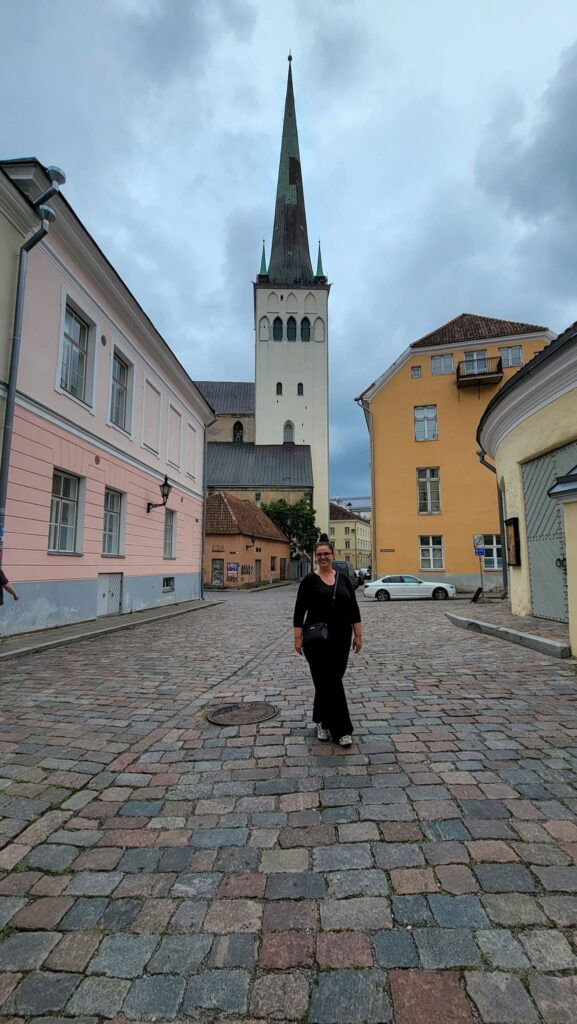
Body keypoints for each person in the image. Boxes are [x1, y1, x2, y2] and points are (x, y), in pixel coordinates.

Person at [293, 534, 362, 746]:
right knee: (331, 682)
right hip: (316, 639)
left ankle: (321, 721)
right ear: (315, 557)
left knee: (329, 682)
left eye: (326, 554)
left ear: (333, 555)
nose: (323, 557)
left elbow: (353, 608)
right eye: (319, 554)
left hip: (341, 638)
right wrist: (297, 638)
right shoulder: (308, 581)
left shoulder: (343, 580)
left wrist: (358, 634)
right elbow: (299, 611)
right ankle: (342, 730)